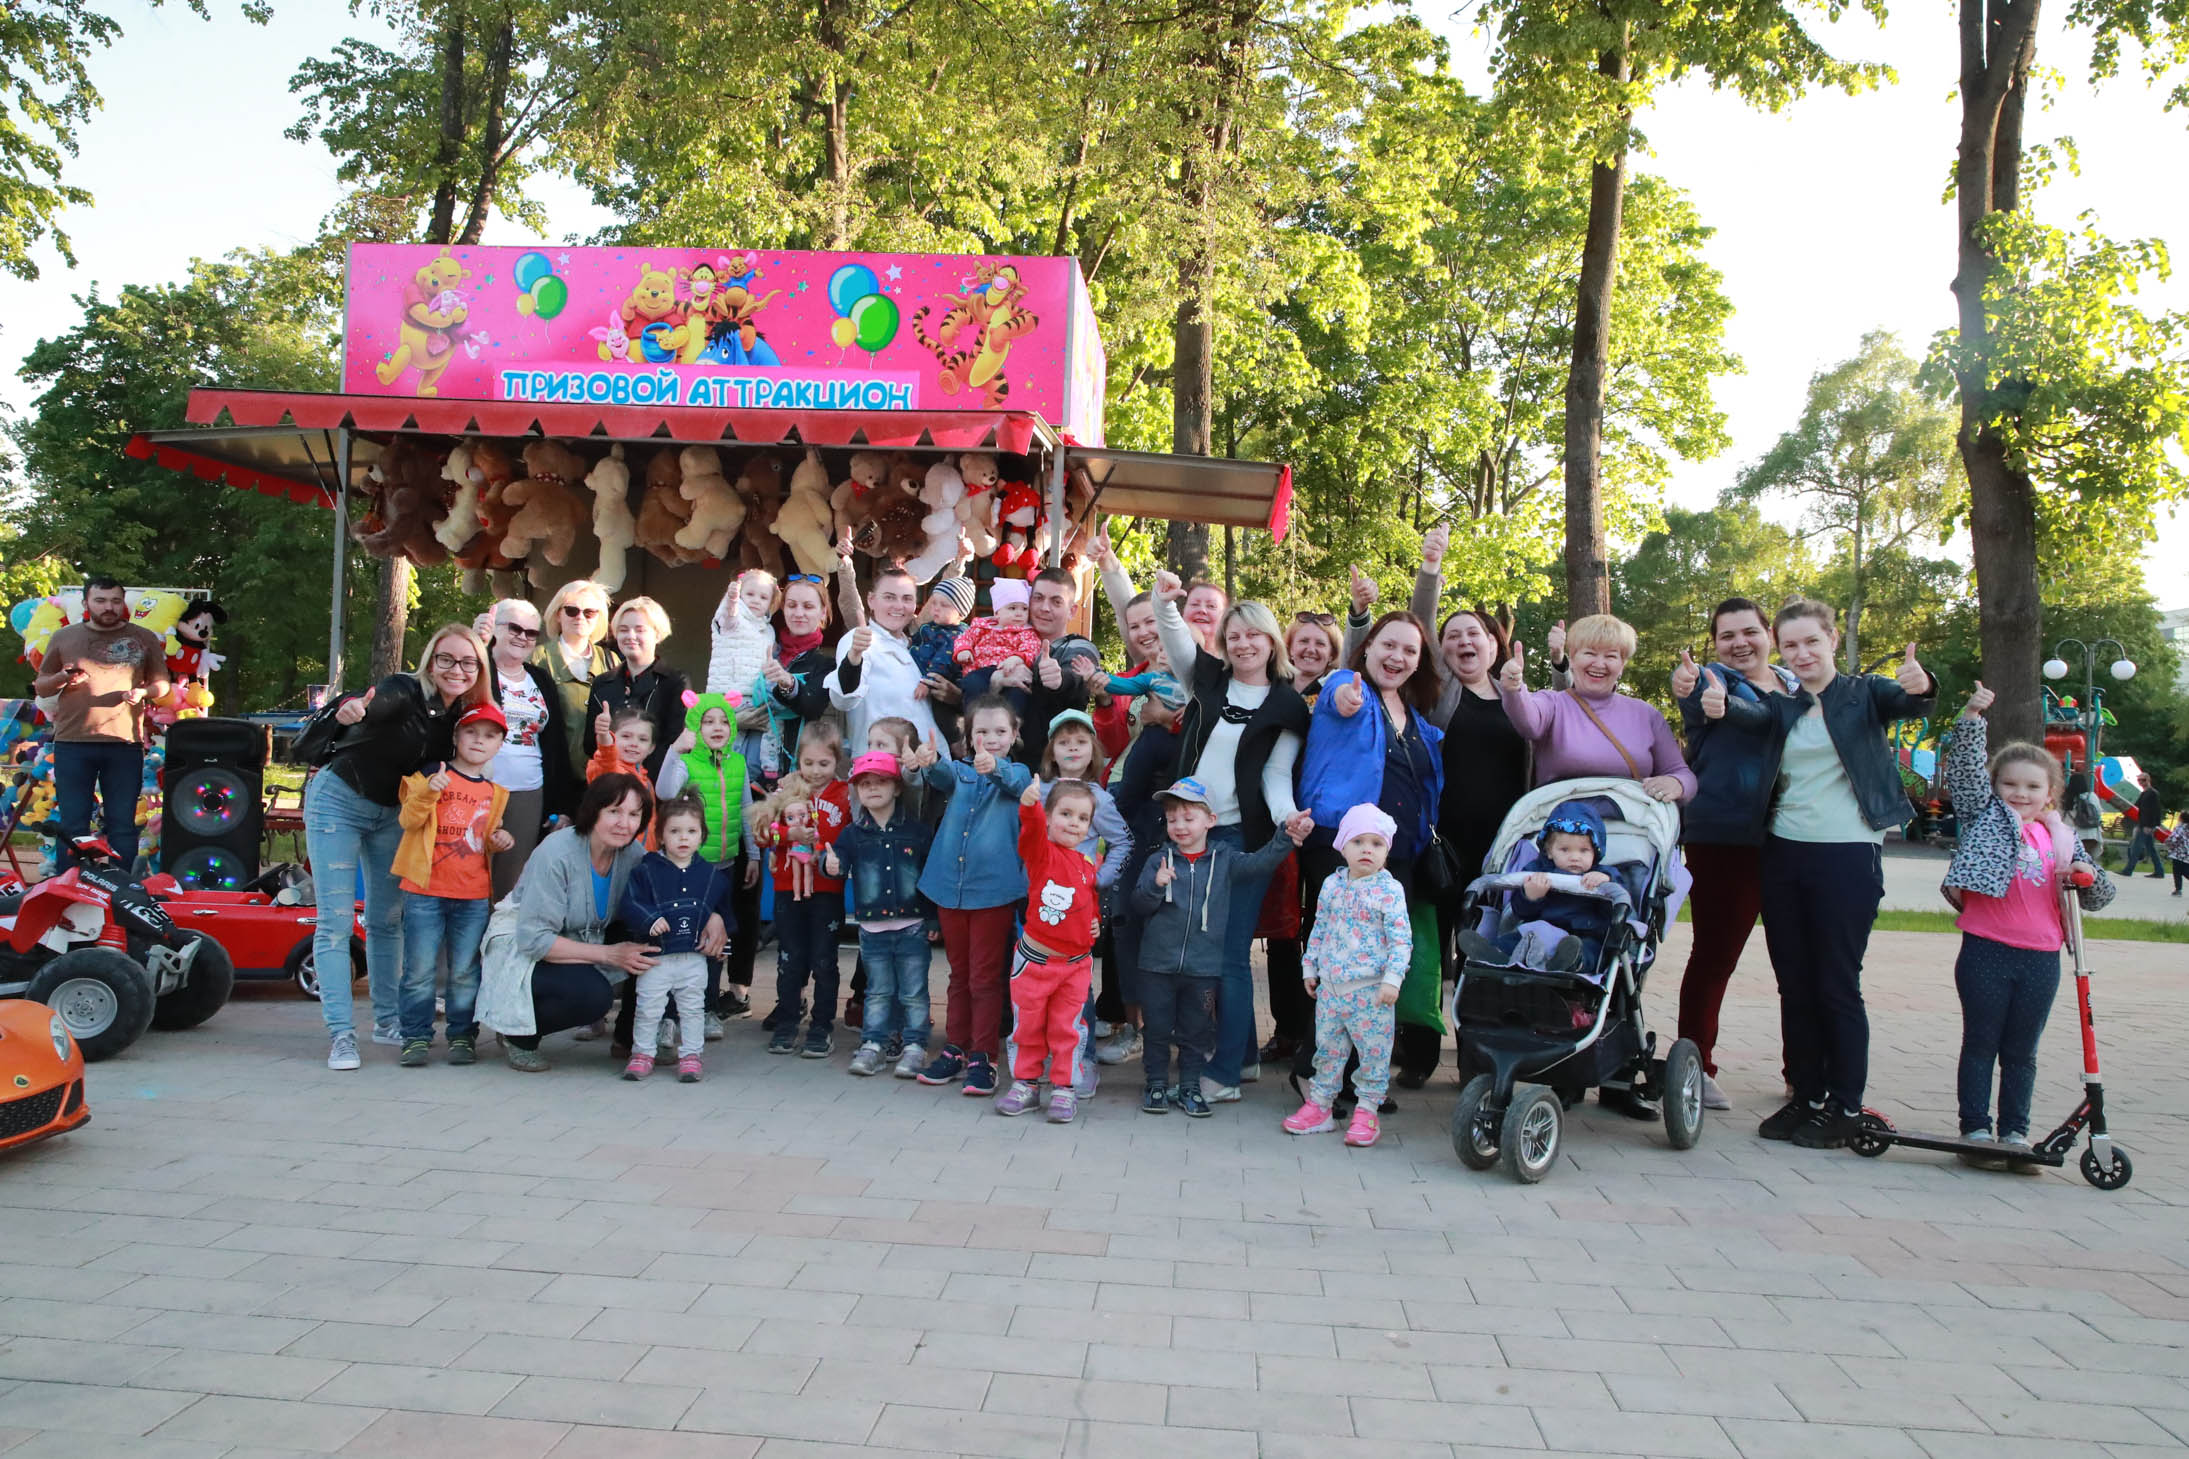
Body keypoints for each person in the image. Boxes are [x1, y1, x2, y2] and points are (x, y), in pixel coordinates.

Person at [1703, 600, 1936, 1149]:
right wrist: (1718, 703)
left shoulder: (1866, 694)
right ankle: (1806, 1096)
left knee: (1835, 983)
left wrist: (1923, 684)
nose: (1801, 653)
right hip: (1784, 853)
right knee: (1794, 983)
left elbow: (1911, 701)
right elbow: (1749, 716)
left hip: (1847, 855)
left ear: (1832, 639)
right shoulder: (1784, 707)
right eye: (1791, 645)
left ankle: (1845, 1104)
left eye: (1811, 641)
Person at [1151, 569, 1310, 1103]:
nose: (1243, 644)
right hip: (1189, 835)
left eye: (1253, 635)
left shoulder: (1287, 705)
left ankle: (1224, 1076)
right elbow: (1176, 640)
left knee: (1231, 956)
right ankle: (1241, 1058)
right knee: (1202, 951)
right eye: (1234, 635)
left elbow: (1276, 775)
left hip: (1241, 840)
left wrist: (1289, 818)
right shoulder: (1209, 679)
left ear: (1272, 641)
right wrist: (1164, 602)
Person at [1940, 683, 2115, 1165]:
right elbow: (1965, 771)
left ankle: (2015, 1132)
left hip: (2041, 957)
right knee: (1981, 1042)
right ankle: (1976, 1130)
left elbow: (2102, 895)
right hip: (1986, 950)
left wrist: (2085, 875)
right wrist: (1972, 717)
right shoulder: (1985, 819)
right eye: (2010, 784)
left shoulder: (2062, 839)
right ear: (1995, 788)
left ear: (2050, 794)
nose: (2020, 793)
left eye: (2033, 787)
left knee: (2021, 1051)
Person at [308, 623, 491, 1070]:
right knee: (335, 922)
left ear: (479, 669)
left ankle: (388, 1021)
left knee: (387, 919)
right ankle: (341, 1035)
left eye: (468, 662)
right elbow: (370, 703)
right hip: (339, 801)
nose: (457, 669)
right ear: (430, 661)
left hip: (394, 813)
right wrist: (352, 708)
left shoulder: (462, 714)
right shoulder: (404, 690)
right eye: (446, 659)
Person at [1295, 611, 1447, 1089]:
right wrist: (1345, 697)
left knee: (1375, 968)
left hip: (1396, 857)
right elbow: (1340, 699)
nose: (1397, 656)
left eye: (1409, 650)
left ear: (1419, 662)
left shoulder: (1416, 717)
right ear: (1368, 648)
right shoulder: (1346, 684)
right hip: (1340, 849)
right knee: (1339, 960)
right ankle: (1315, 1071)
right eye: (1389, 645)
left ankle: (1356, 1077)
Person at [1668, 597, 1800, 1110]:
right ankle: (1695, 1068)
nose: (1739, 643)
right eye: (1727, 636)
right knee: (1714, 956)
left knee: (1799, 963)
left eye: (1749, 632)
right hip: (1724, 838)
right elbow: (1697, 701)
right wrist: (1688, 689)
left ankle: (1803, 1073)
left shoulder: (1800, 686)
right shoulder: (1711, 681)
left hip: (1798, 836)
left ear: (1769, 634)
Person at [1131, 778, 1306, 1117]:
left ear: (1210, 820)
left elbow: (1260, 863)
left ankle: (1190, 1086)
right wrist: (1155, 886)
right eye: (1172, 819)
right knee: (1156, 1029)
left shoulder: (1225, 859)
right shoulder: (1159, 860)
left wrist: (1285, 837)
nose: (1180, 826)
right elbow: (1139, 904)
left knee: (1196, 1032)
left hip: (1203, 971)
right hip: (1156, 968)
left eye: (1188, 818)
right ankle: (1155, 1084)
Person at [477, 773, 656, 1073]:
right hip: (523, 948)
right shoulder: (557, 852)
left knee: (653, 938)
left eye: (634, 814)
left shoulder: (633, 854)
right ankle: (518, 1035)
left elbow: (668, 893)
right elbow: (534, 939)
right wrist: (610, 955)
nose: (624, 823)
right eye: (614, 811)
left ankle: (629, 1037)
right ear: (593, 811)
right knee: (592, 996)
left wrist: (714, 918)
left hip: (578, 940)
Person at [914, 695, 1033, 1095]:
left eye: (1000, 731)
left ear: (1014, 734)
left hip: (993, 893)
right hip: (950, 889)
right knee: (958, 975)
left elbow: (1016, 783)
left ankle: (984, 1056)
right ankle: (954, 1048)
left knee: (985, 977)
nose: (991, 738)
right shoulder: (960, 772)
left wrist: (994, 766)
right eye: (982, 731)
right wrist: (930, 761)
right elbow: (942, 775)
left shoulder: (1019, 773)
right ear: (967, 734)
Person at [393, 701, 513, 1067]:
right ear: (457, 736)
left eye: (489, 736)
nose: (479, 741)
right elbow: (408, 821)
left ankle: (462, 1035)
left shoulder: (496, 792)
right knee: (419, 970)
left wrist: (499, 840)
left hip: (472, 895)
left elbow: (483, 838)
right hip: (424, 890)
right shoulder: (429, 775)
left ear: (499, 745)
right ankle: (415, 1037)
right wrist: (430, 790)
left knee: (465, 971)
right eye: (471, 732)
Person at [1284, 804, 1411, 1147]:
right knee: (1327, 1050)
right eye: (1358, 842)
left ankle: (1367, 1111)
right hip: (1332, 989)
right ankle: (1320, 1106)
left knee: (1373, 1054)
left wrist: (1393, 979)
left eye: (1376, 843)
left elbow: (1401, 939)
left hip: (1372, 992)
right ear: (1342, 846)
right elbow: (1320, 928)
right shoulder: (1332, 885)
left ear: (1386, 851)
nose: (1367, 850)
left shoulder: (1389, 891)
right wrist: (1310, 966)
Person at [31, 575, 170, 871]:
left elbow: (163, 685)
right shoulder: (64, 637)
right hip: (72, 743)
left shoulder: (144, 637)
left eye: (115, 601)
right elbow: (41, 686)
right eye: (101, 600)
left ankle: (123, 887)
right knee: (73, 823)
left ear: (123, 603)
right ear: (85, 603)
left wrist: (144, 692)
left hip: (124, 744)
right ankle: (69, 886)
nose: (109, 607)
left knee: (123, 824)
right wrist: (62, 678)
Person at [995, 779, 1103, 1122]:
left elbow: (1088, 901)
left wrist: (1095, 921)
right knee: (1027, 1027)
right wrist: (1029, 807)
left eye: (1083, 818)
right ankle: (1026, 1084)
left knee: (1067, 1029)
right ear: (1049, 816)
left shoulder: (1087, 864)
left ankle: (1064, 1087)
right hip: (1035, 964)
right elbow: (1030, 833)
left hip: (1075, 967)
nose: (1074, 823)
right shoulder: (1042, 854)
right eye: (1065, 814)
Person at [1498, 615, 1694, 802]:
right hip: (1563, 818)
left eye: (1611, 656)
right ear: (1572, 658)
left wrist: (1677, 783)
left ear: (1622, 665)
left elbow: (1682, 773)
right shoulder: (1553, 704)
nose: (1599, 664)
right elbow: (1528, 722)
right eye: (1590, 653)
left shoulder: (1647, 715)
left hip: (1630, 820)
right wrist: (1514, 689)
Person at [825, 752, 935, 1079]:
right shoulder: (851, 835)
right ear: (857, 791)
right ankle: (874, 1043)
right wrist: (830, 865)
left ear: (897, 788)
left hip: (913, 926)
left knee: (913, 992)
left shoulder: (917, 832)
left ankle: (914, 1046)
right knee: (878, 991)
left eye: (881, 782)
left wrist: (933, 919)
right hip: (872, 930)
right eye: (865, 784)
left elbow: (930, 878)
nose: (872, 788)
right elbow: (836, 865)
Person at [617, 794, 736, 1083]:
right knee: (648, 1008)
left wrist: (723, 946)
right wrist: (649, 919)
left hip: (693, 957)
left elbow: (723, 912)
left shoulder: (710, 875)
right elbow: (629, 903)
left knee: (693, 1009)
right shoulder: (646, 870)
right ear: (660, 835)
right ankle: (642, 1053)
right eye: (674, 831)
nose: (683, 838)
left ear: (702, 835)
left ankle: (691, 1056)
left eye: (691, 831)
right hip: (655, 956)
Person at [655, 691, 752, 1042]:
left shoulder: (738, 764)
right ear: (695, 726)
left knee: (716, 941)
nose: (717, 727)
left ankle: (708, 1008)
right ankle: (668, 1015)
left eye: (724, 721)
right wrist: (674, 750)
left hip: (724, 867)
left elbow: (746, 811)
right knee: (679, 939)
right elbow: (664, 791)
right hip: (687, 867)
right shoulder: (686, 762)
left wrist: (754, 855)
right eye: (708, 721)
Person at [757, 722, 850, 1056]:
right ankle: (786, 1021)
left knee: (824, 960)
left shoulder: (846, 794)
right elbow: (762, 835)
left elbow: (852, 838)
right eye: (808, 763)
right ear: (798, 760)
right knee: (790, 958)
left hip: (827, 890)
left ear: (837, 761)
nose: (815, 771)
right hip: (788, 889)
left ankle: (822, 1026)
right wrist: (788, 836)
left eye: (824, 763)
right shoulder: (788, 791)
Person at [484, 598, 577, 901]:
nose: (522, 637)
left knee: (510, 884)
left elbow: (555, 743)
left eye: (531, 633)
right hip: (480, 788)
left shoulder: (540, 678)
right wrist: (478, 644)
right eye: (514, 628)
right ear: (495, 628)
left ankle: (498, 934)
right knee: (469, 874)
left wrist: (561, 804)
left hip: (527, 792)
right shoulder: (478, 668)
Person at [1458, 800, 1617, 973]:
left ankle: (1572, 962)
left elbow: (1614, 910)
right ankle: (1495, 954)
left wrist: (1606, 882)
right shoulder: (1536, 871)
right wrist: (1531, 897)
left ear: (1596, 851)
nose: (1575, 857)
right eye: (1565, 850)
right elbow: (1520, 911)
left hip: (1580, 933)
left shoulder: (1602, 874)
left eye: (1583, 851)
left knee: (1589, 949)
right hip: (1539, 933)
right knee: (1514, 939)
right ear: (1549, 851)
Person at [964, 567, 1097, 767]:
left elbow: (1077, 677)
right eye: (1038, 598)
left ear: (1072, 611)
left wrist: (1059, 679)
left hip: (1048, 768)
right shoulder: (996, 638)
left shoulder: (1076, 647)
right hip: (988, 764)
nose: (1045, 608)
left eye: (1056, 601)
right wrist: (995, 680)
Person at [828, 565, 941, 752]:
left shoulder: (915, 647)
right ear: (871, 600)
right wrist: (854, 656)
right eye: (889, 597)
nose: (899, 606)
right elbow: (843, 700)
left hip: (930, 763)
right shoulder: (860, 640)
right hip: (880, 764)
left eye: (907, 598)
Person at [584, 597, 688, 784]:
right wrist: (602, 733)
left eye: (640, 630)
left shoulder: (674, 682)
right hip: (609, 786)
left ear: (657, 634)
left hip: (655, 786)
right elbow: (590, 745)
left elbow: (674, 742)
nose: (630, 636)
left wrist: (638, 781)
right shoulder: (602, 683)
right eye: (623, 630)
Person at [537, 580, 620, 771]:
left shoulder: (611, 661)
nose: (580, 617)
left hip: (602, 773)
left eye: (589, 612)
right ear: (558, 614)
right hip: (554, 772)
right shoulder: (539, 659)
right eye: (572, 610)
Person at [955, 578, 1043, 677]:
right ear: (997, 613)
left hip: (1007, 671)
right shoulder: (981, 627)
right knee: (971, 682)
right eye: (1012, 608)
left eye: (1024, 609)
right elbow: (964, 638)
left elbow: (1031, 649)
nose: (1019, 613)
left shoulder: (1027, 633)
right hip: (977, 670)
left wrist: (1016, 658)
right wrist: (964, 650)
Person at [2123, 773, 2167, 877]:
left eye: (2142, 780)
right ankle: (2159, 871)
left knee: (2136, 848)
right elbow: (2137, 806)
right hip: (2142, 823)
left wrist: (2152, 826)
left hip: (2146, 825)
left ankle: (2128, 870)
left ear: (2148, 780)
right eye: (2139, 780)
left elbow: (2156, 811)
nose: (2140, 782)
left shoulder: (2152, 793)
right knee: (2150, 849)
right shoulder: (2144, 793)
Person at [2166, 811, 2189, 896]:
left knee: (2177, 872)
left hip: (2178, 854)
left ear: (2181, 818)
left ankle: (2178, 889)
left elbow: (2175, 838)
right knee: (2185, 870)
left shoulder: (2180, 828)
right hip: (2187, 854)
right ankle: (2178, 889)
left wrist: (2168, 842)